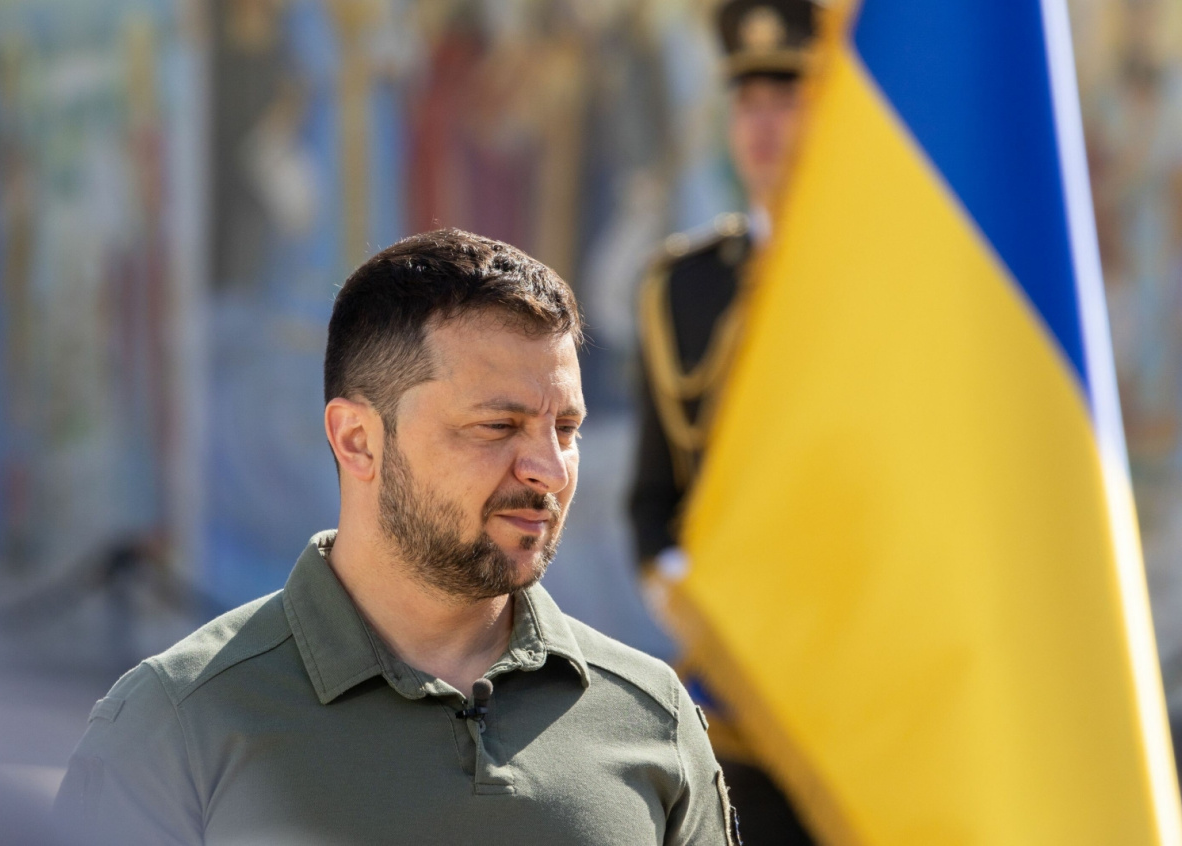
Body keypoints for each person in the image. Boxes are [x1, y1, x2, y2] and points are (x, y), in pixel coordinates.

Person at [55, 230, 736, 845]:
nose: (551, 471)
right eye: (498, 427)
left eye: (565, 429)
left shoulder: (655, 719)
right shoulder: (175, 725)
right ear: (357, 439)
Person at [628, 1, 820, 843]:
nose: (763, 126)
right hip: (740, 698)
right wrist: (698, 600)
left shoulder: (896, 290)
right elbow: (653, 499)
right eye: (748, 102)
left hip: (879, 679)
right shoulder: (687, 285)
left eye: (788, 100)